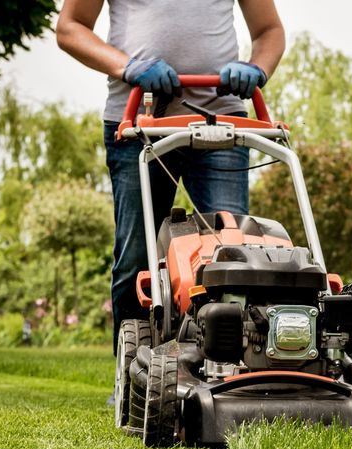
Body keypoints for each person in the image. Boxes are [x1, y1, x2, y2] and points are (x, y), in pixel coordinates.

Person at [56, 0, 286, 349]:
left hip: (223, 122)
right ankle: (133, 372)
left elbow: (270, 30)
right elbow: (70, 28)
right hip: (139, 123)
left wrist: (258, 68)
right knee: (137, 257)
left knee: (234, 252)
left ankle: (231, 366)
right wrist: (128, 66)